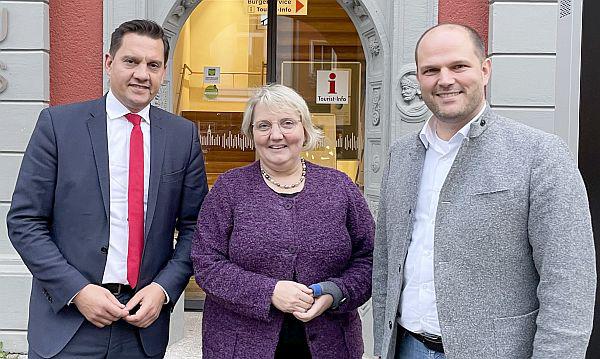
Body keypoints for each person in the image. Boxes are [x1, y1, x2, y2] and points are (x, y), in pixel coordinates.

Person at [372, 23, 596, 359]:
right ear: (418, 79)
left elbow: (569, 281)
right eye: (431, 70)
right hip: (405, 347)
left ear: (485, 69)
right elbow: (386, 264)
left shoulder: (540, 154)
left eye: (458, 66)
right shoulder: (401, 155)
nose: (444, 79)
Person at [7, 19, 208, 358]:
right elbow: (25, 221)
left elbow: (196, 228)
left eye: (153, 65)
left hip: (141, 327)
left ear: (163, 71)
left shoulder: (182, 137)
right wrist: (78, 291)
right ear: (109, 62)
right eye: (131, 61)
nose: (142, 74)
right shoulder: (58, 126)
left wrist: (163, 289)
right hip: (68, 324)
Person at [191, 84, 374, 358]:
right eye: (263, 125)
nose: (275, 135)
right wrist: (269, 292)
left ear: (304, 128)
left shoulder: (339, 187)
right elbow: (206, 264)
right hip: (240, 346)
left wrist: (335, 292)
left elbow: (370, 259)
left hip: (331, 344)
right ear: (251, 133)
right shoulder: (229, 189)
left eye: (287, 123)